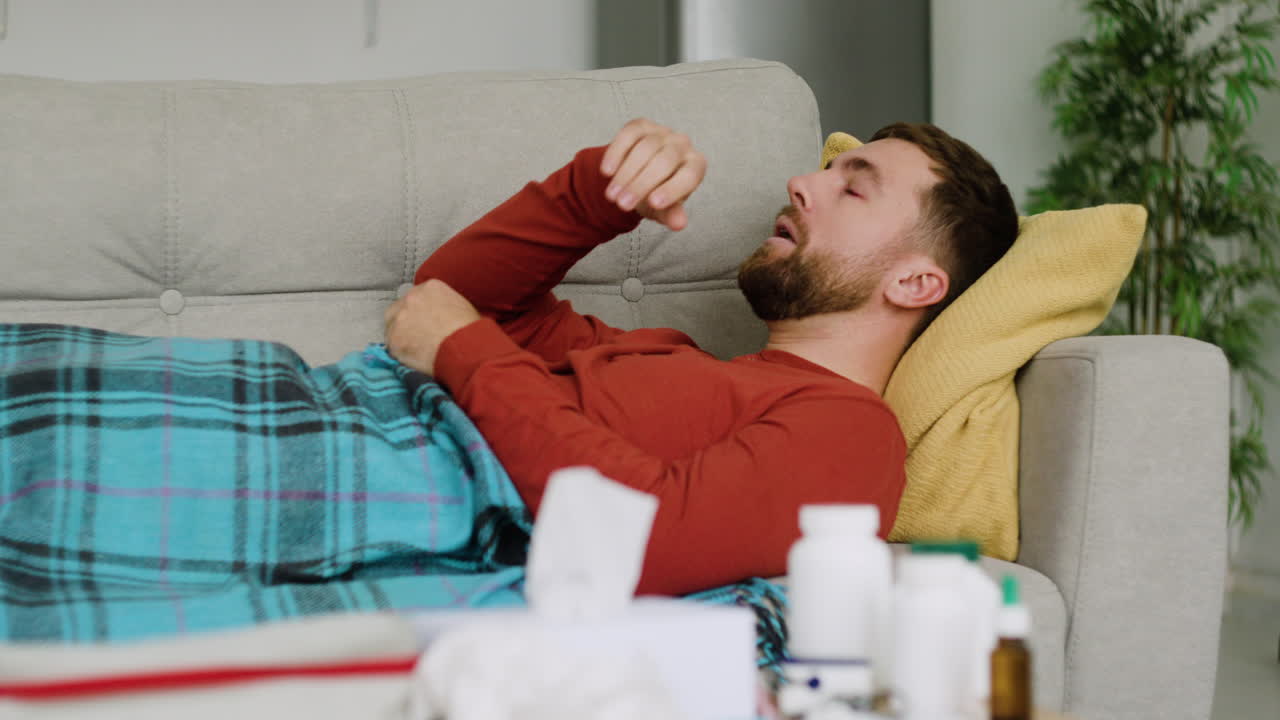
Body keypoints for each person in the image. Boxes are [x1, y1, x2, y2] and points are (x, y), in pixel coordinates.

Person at [383, 118, 1018, 596]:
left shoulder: (851, 432)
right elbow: (451, 295)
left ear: (913, 283)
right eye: (826, 171)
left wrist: (467, 352)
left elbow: (653, 543)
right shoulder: (671, 358)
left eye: (853, 191)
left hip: (374, 471)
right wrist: (601, 188)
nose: (801, 184)